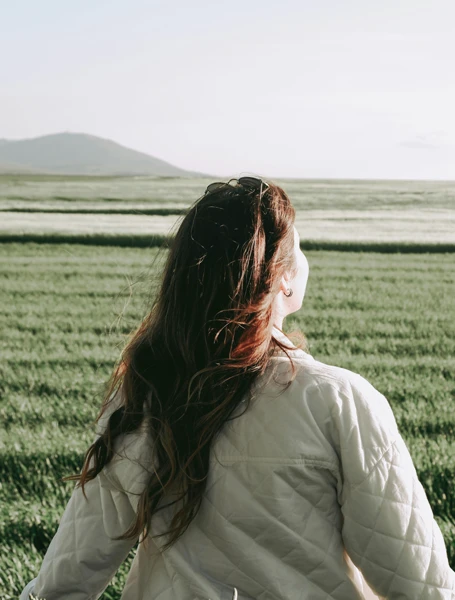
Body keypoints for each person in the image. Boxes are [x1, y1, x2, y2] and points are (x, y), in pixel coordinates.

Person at [20, 177, 454, 600]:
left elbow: (63, 583)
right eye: (299, 249)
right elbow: (418, 584)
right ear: (281, 279)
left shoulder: (144, 396)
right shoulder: (340, 401)